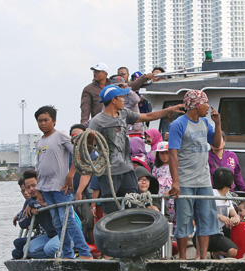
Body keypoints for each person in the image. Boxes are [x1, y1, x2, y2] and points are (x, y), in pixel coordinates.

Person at [87, 85, 184, 215]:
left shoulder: (124, 114)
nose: (123, 100)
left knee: (133, 202)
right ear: (113, 100)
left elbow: (148, 116)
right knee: (110, 209)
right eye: (121, 97)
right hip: (109, 173)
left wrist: (170, 109)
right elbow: (89, 148)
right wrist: (90, 139)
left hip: (127, 170)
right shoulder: (97, 121)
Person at [33, 106, 92, 259]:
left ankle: (85, 252)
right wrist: (39, 189)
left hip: (61, 187)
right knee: (58, 223)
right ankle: (67, 253)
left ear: (54, 121)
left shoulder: (60, 136)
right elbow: (39, 166)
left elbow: (77, 154)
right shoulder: (39, 142)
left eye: (46, 120)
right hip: (46, 188)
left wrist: (70, 175)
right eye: (40, 121)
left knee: (68, 220)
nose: (43, 123)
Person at [167, 89, 221, 260]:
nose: (208, 106)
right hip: (185, 180)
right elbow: (172, 153)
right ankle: (182, 258)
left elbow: (217, 144)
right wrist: (175, 182)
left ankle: (203, 257)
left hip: (204, 180)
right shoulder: (178, 124)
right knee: (183, 220)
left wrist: (218, 123)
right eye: (206, 102)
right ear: (196, 105)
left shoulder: (205, 122)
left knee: (206, 219)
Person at [20, 170, 61, 259]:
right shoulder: (29, 202)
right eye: (28, 187)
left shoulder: (49, 194)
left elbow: (47, 205)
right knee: (27, 250)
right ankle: (54, 256)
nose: (31, 189)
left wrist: (34, 205)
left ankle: (71, 251)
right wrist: (30, 211)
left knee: (49, 248)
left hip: (63, 233)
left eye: (34, 185)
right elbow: (22, 223)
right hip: (50, 235)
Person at [206, 167, 240, 258]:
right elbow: (204, 211)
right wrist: (219, 216)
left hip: (218, 233)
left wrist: (235, 219)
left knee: (233, 251)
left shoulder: (227, 197)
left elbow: (235, 214)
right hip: (204, 233)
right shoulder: (211, 194)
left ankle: (216, 254)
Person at [151, 141, 176, 224]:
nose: (165, 156)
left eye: (167, 153)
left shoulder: (175, 167)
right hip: (161, 198)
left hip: (172, 196)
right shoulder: (156, 168)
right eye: (162, 154)